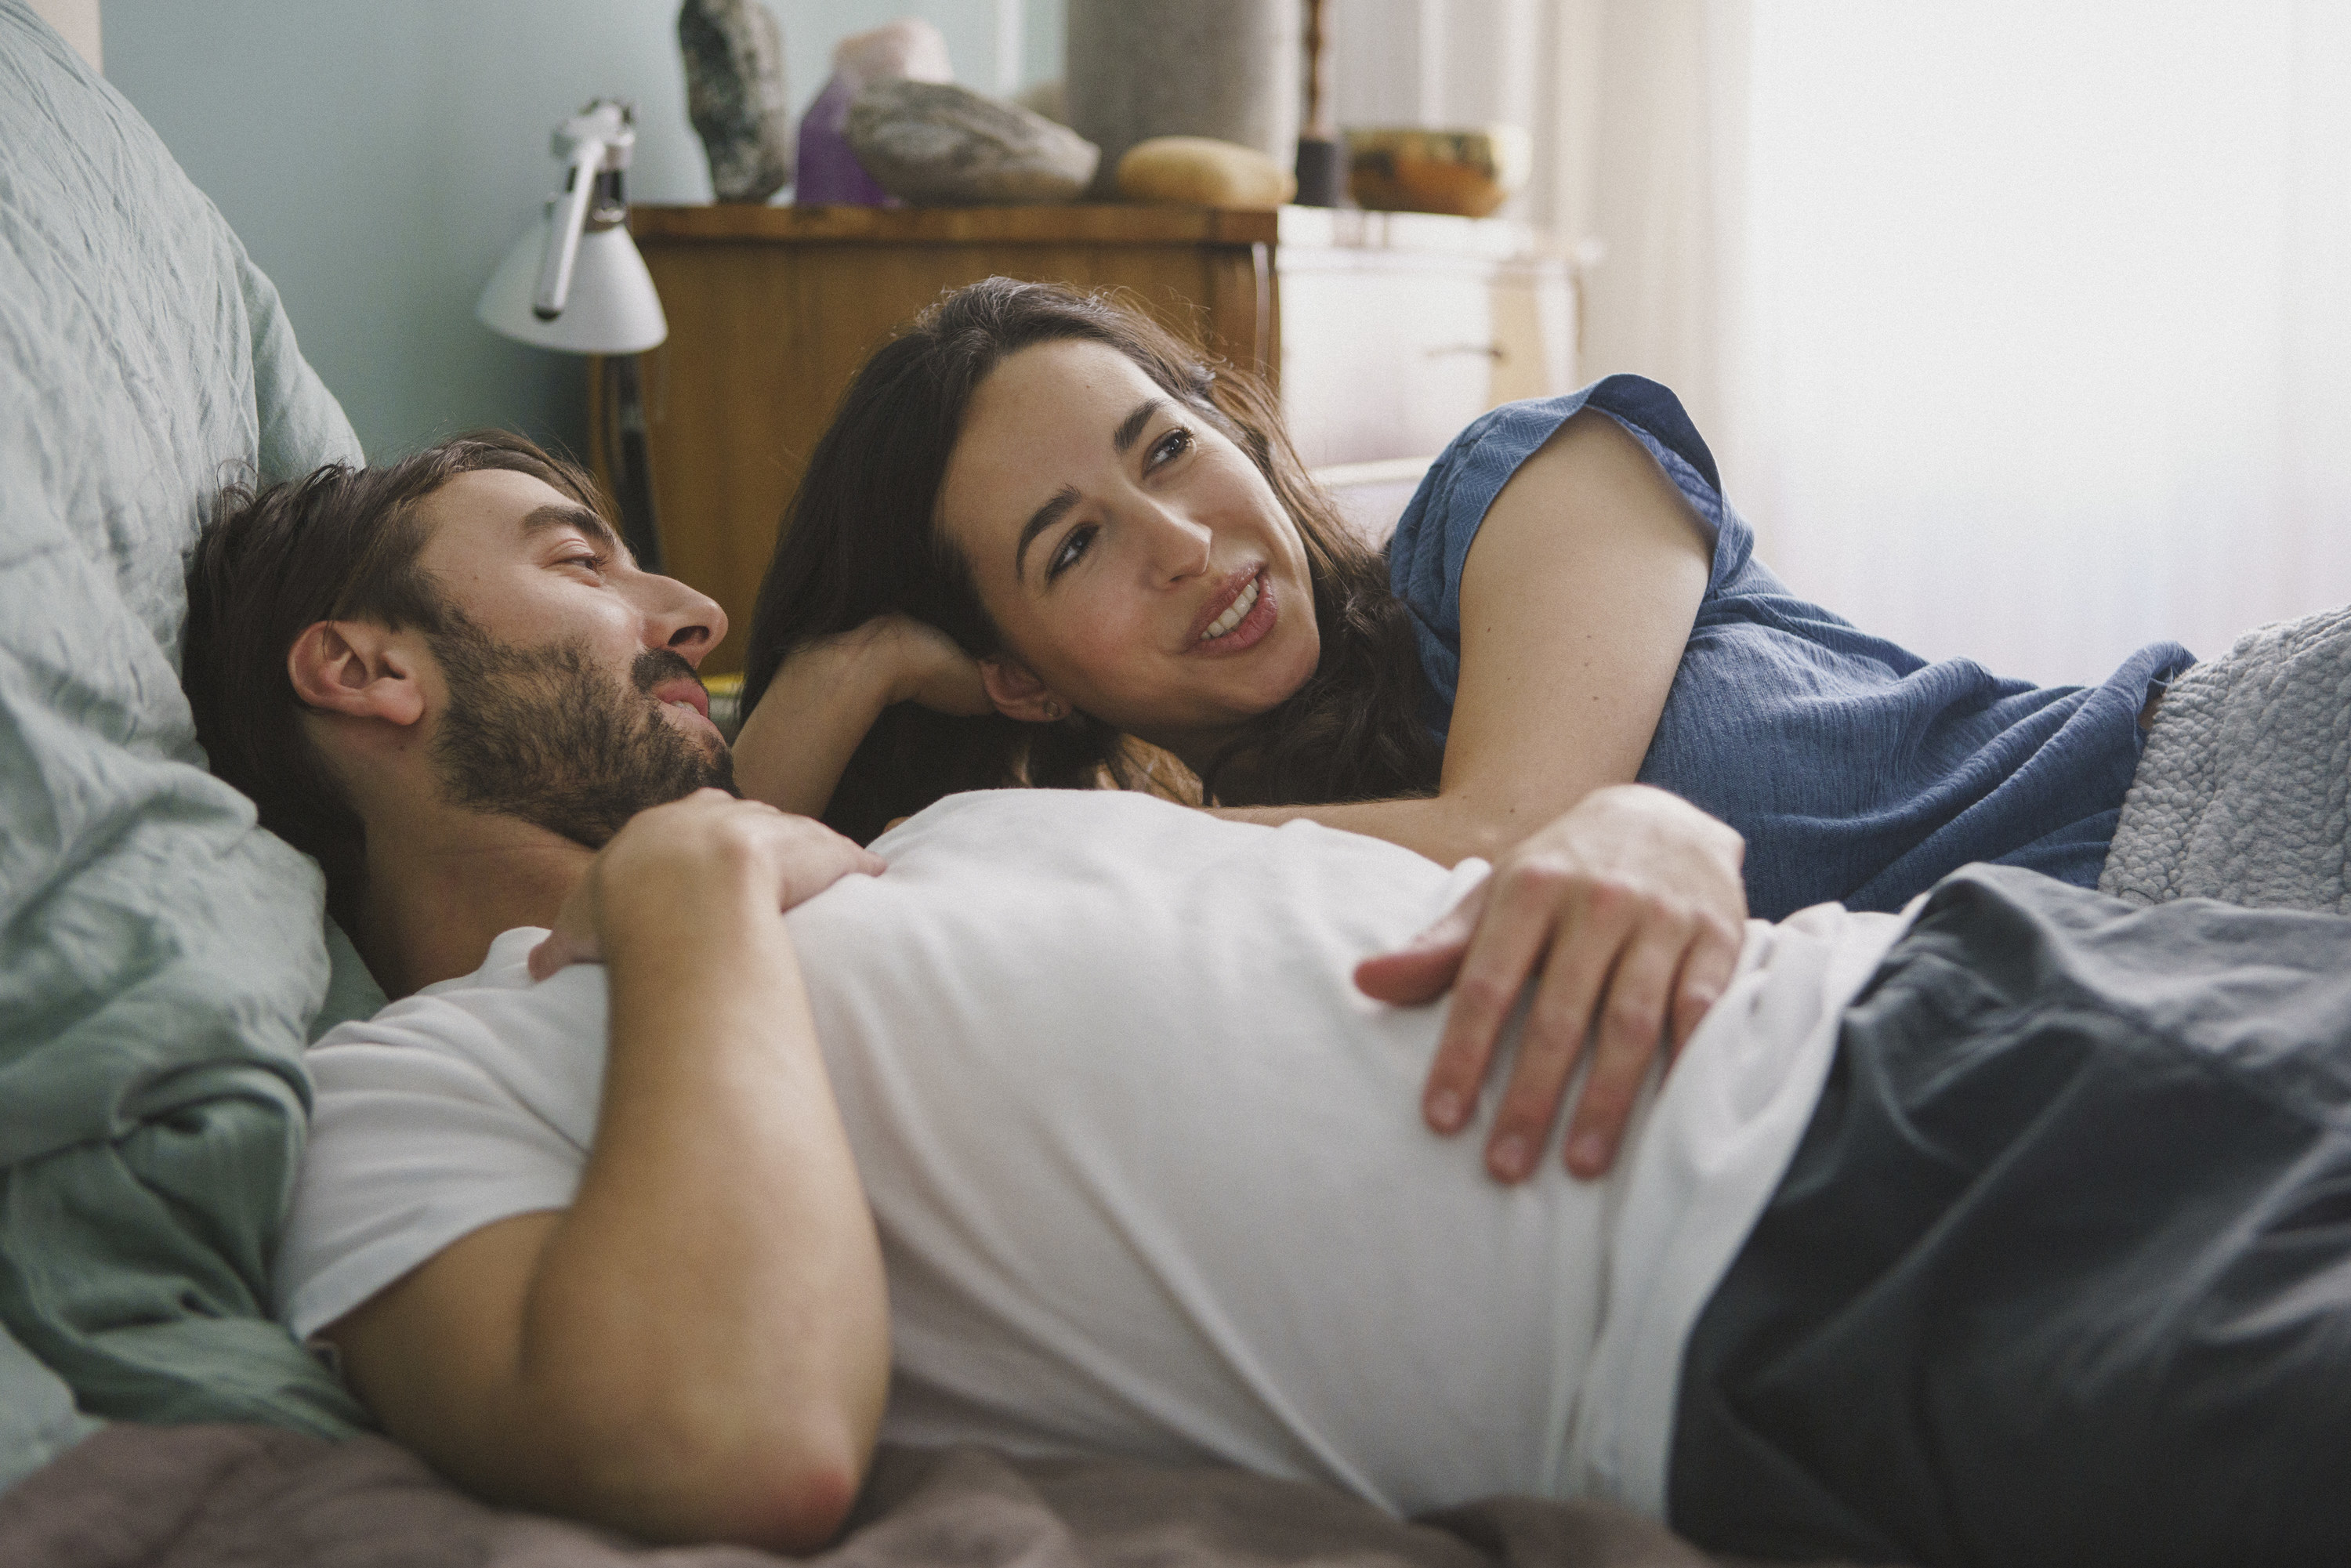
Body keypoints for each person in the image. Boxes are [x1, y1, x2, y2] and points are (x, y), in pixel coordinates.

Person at [184, 434, 2351, 1568]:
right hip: (1831, 1272)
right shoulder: (414, 1094)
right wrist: (681, 882)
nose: (684, 601)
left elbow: (1493, 841)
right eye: (577, 559)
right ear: (363, 671)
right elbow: (728, 1439)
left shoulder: (927, 852)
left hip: (1970, 985)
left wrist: (1661, 831)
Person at [734, 277, 2193, 929]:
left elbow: (1514, 838)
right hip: (2088, 995)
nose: (1181, 540)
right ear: (1024, 683)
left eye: (1170, 447)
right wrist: (843, 674)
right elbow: (703, 896)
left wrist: (1075, 834)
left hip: (2210, 799)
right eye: (1073, 549)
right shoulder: (1250, 889)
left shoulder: (1526, 482)